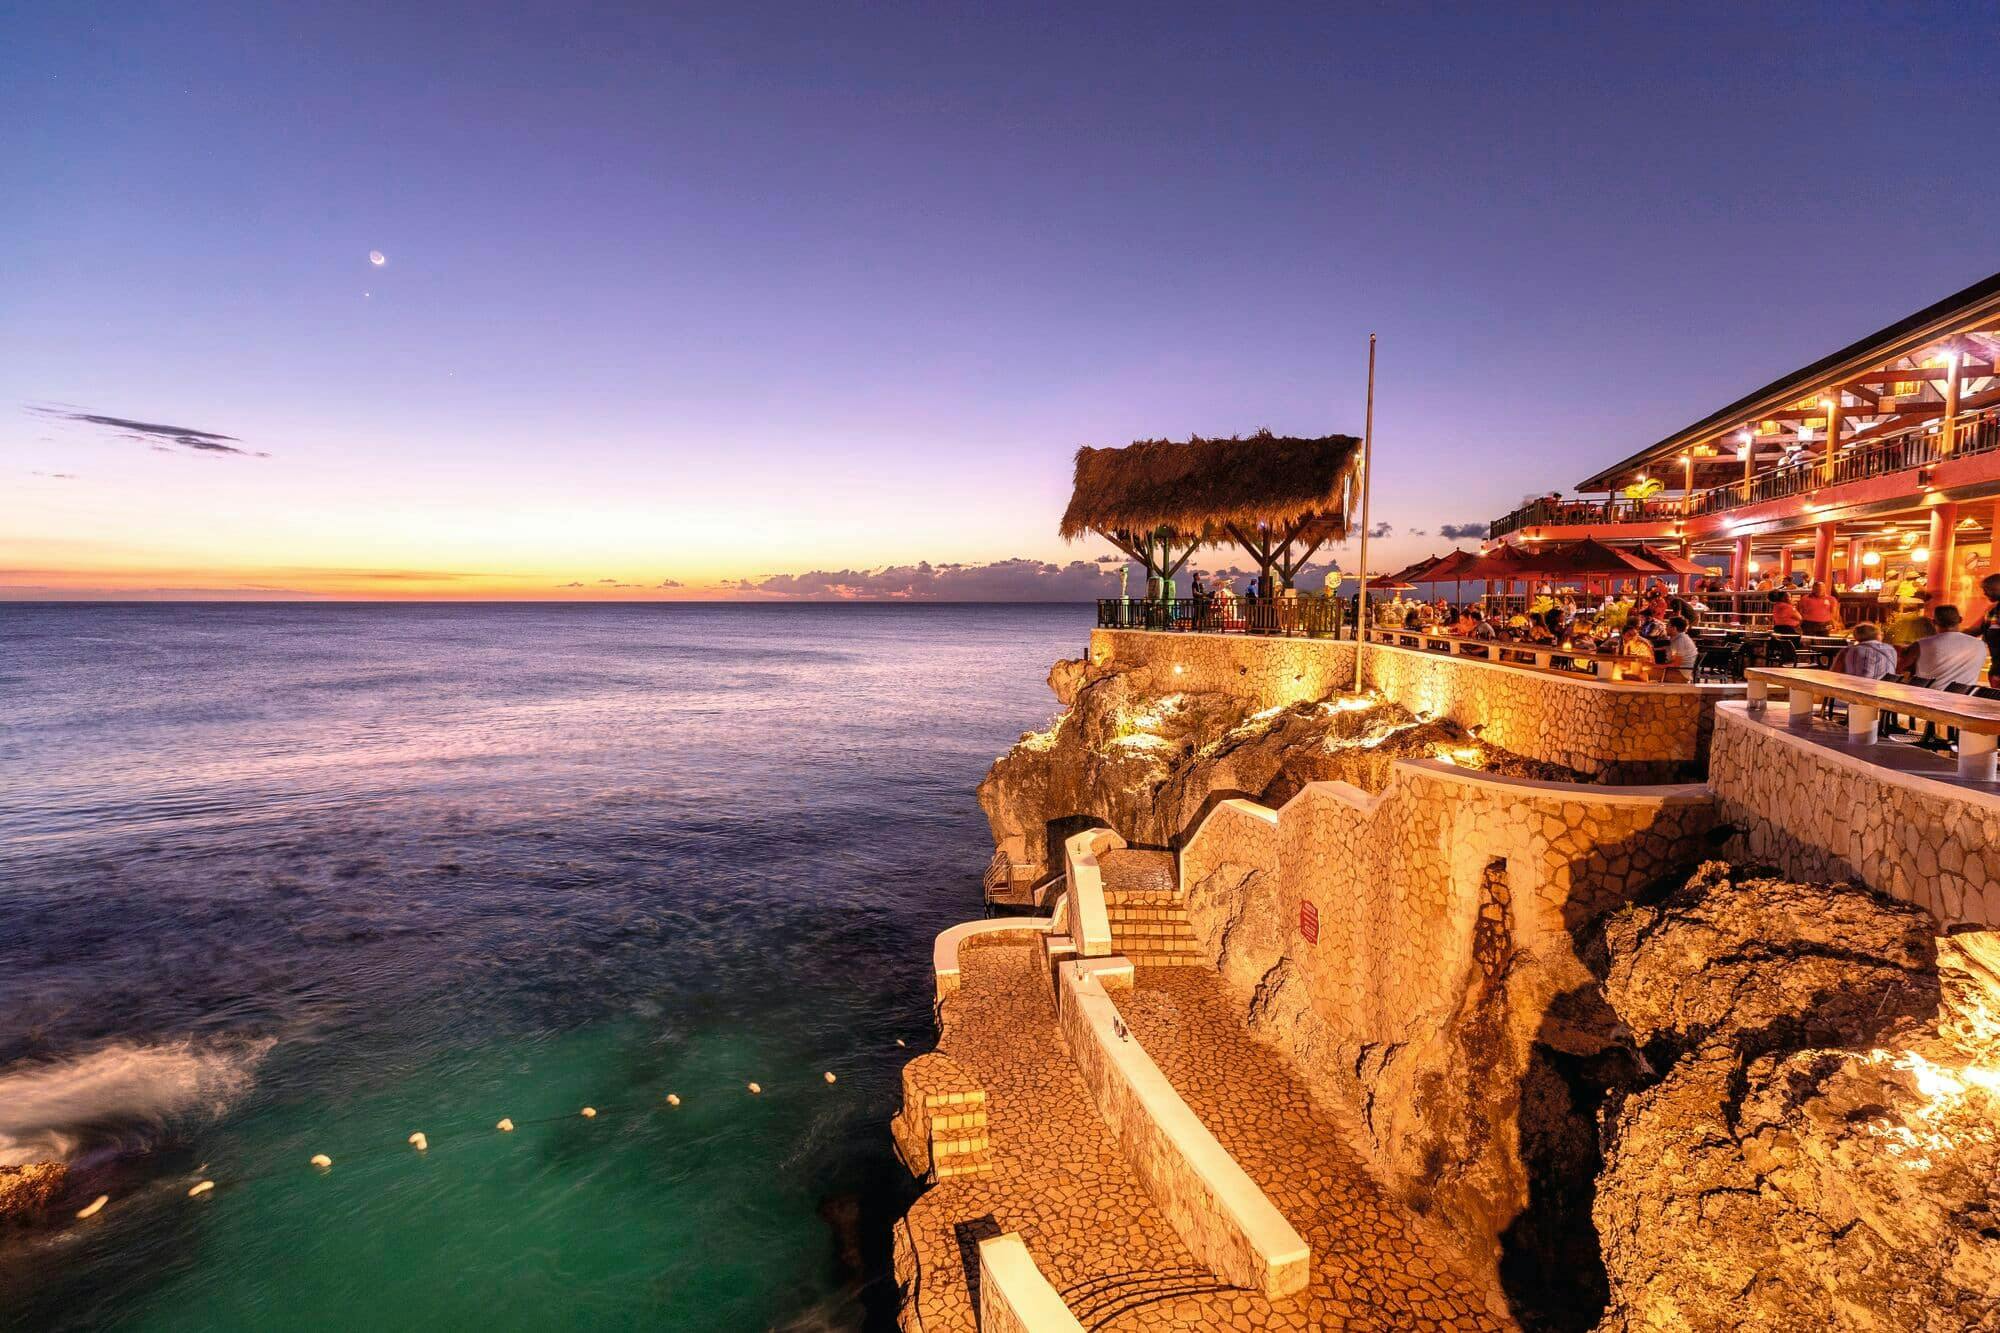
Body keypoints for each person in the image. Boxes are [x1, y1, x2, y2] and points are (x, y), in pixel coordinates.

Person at [1910, 605, 1987, 688]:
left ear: (1934, 622)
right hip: (1964, 697)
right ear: (1960, 620)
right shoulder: (1980, 645)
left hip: (1927, 697)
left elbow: (1899, 668)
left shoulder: (1921, 644)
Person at [1831, 623, 1897, 681]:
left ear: (1856, 636)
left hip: (1859, 689)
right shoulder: (1890, 649)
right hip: (1887, 690)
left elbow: (1834, 673)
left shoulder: (1849, 650)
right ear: (1878, 635)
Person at [1662, 615, 1698, 681]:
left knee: (1647, 673)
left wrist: (1655, 666)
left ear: (1674, 628)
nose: (1665, 628)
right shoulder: (1679, 638)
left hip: (1681, 673)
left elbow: (1676, 664)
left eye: (1667, 626)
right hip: (1680, 671)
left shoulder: (1680, 641)